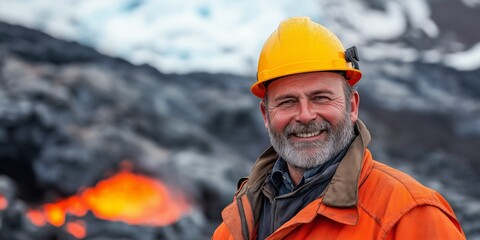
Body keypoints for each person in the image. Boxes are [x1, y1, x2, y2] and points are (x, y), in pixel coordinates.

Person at [212, 16, 465, 240]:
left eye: (320, 97)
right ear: (266, 115)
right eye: (287, 102)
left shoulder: (409, 216)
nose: (306, 115)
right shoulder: (237, 224)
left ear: (352, 106)